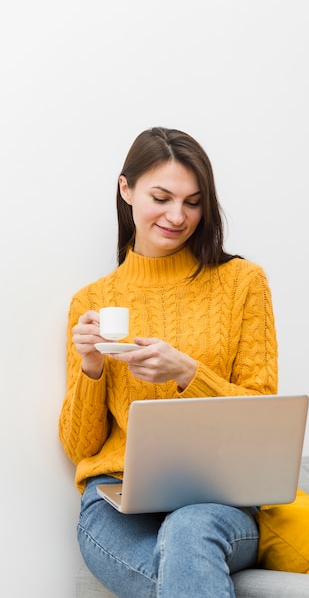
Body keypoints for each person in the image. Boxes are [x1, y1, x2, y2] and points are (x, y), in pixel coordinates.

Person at [59, 127, 278, 598]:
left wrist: (187, 372)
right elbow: (82, 446)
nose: (177, 216)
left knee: (188, 533)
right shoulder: (92, 302)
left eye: (194, 202)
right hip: (117, 501)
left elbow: (261, 415)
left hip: (219, 502)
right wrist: (91, 368)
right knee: (186, 573)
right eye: (161, 197)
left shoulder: (244, 283)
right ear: (126, 189)